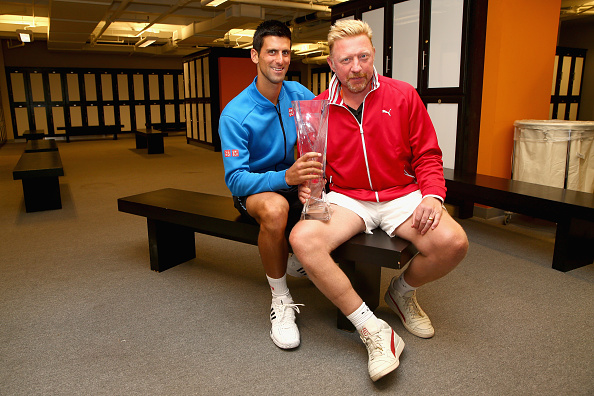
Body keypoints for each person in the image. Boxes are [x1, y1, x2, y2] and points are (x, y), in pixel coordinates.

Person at [289, 20, 468, 381]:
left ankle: (401, 293)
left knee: (454, 243)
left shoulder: (402, 95)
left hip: (400, 194)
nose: (355, 67)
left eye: (363, 57)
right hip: (349, 198)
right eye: (345, 60)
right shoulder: (318, 108)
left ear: (373, 56)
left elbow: (429, 155)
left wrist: (433, 196)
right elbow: (312, 166)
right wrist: (308, 188)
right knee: (302, 240)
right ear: (331, 64)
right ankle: (373, 329)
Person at [218, 20, 321, 350]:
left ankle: (297, 256)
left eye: (286, 52)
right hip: (255, 190)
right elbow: (235, 178)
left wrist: (310, 181)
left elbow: (321, 132)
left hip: (289, 180)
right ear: (254, 56)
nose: (280, 60)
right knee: (276, 209)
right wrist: (286, 178)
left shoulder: (297, 94)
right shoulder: (236, 114)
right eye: (272, 52)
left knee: (327, 195)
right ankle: (280, 299)